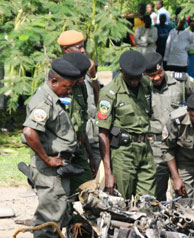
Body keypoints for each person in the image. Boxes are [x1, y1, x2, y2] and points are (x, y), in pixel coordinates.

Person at [22, 58, 81, 238]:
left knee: (59, 215)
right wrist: (47, 159)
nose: (69, 91)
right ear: (54, 81)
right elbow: (29, 133)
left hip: (58, 168)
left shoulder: (53, 98)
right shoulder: (44, 102)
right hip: (49, 170)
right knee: (48, 219)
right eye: (66, 86)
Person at [144, 53, 194, 201]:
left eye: (159, 73)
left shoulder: (180, 80)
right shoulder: (142, 87)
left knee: (182, 193)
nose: (156, 78)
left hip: (180, 145)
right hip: (155, 145)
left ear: (163, 68)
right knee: (156, 192)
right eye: (151, 76)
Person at [96, 50, 156, 199]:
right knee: (121, 200)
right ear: (121, 71)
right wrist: (108, 172)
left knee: (148, 200)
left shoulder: (146, 85)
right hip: (123, 152)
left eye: (138, 76)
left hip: (145, 149)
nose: (135, 81)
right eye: (131, 78)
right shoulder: (109, 93)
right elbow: (103, 133)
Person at [58, 30, 102, 167]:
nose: (83, 51)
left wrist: (93, 75)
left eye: (84, 46)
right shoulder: (59, 74)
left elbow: (98, 100)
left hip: (91, 134)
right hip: (72, 139)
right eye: (79, 47)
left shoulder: (85, 70)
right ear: (66, 50)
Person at [62, 52, 98, 190]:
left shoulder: (80, 87)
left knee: (88, 190)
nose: (83, 80)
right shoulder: (56, 90)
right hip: (60, 152)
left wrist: (91, 156)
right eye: (80, 77)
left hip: (79, 149)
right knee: (62, 196)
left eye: (84, 76)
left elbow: (82, 124)